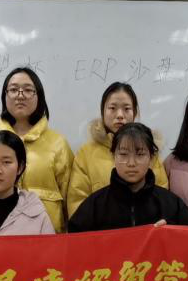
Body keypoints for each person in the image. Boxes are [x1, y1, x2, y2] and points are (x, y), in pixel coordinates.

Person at [0, 67, 73, 233]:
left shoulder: (58, 143)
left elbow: (70, 198)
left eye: (28, 90)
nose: (20, 95)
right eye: (13, 90)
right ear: (5, 96)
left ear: (39, 96)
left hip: (46, 237)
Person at [67, 82, 168, 218]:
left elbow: (162, 197)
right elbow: (77, 201)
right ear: (103, 111)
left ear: (135, 113)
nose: (120, 115)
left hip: (145, 230)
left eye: (126, 109)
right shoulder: (86, 154)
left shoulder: (149, 151)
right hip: (102, 230)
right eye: (112, 108)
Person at [68, 123, 188, 232]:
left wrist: (171, 230)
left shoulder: (171, 205)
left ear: (151, 158)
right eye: (123, 154)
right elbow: (75, 242)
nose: (131, 163)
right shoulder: (95, 206)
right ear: (113, 156)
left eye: (140, 154)